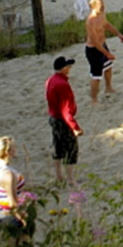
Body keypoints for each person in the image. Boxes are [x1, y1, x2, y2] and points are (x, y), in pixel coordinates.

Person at [45, 56, 83, 185]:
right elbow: (66, 110)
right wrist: (75, 127)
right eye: (68, 67)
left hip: (54, 117)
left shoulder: (51, 80)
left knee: (58, 147)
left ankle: (58, 175)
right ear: (64, 68)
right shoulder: (62, 85)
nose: (70, 69)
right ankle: (71, 179)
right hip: (63, 120)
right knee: (70, 149)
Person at [85, 0, 123, 105]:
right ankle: (94, 99)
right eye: (100, 5)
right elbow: (94, 41)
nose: (102, 6)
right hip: (93, 50)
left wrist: (118, 34)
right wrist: (107, 53)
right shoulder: (90, 21)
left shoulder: (102, 15)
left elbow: (107, 25)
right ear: (93, 6)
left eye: (103, 4)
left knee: (108, 67)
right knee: (96, 75)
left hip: (103, 45)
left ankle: (108, 87)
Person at [0, 136, 27, 231]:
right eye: (14, 147)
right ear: (7, 152)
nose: (16, 149)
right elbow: (12, 202)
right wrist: (22, 218)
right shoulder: (9, 175)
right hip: (9, 214)